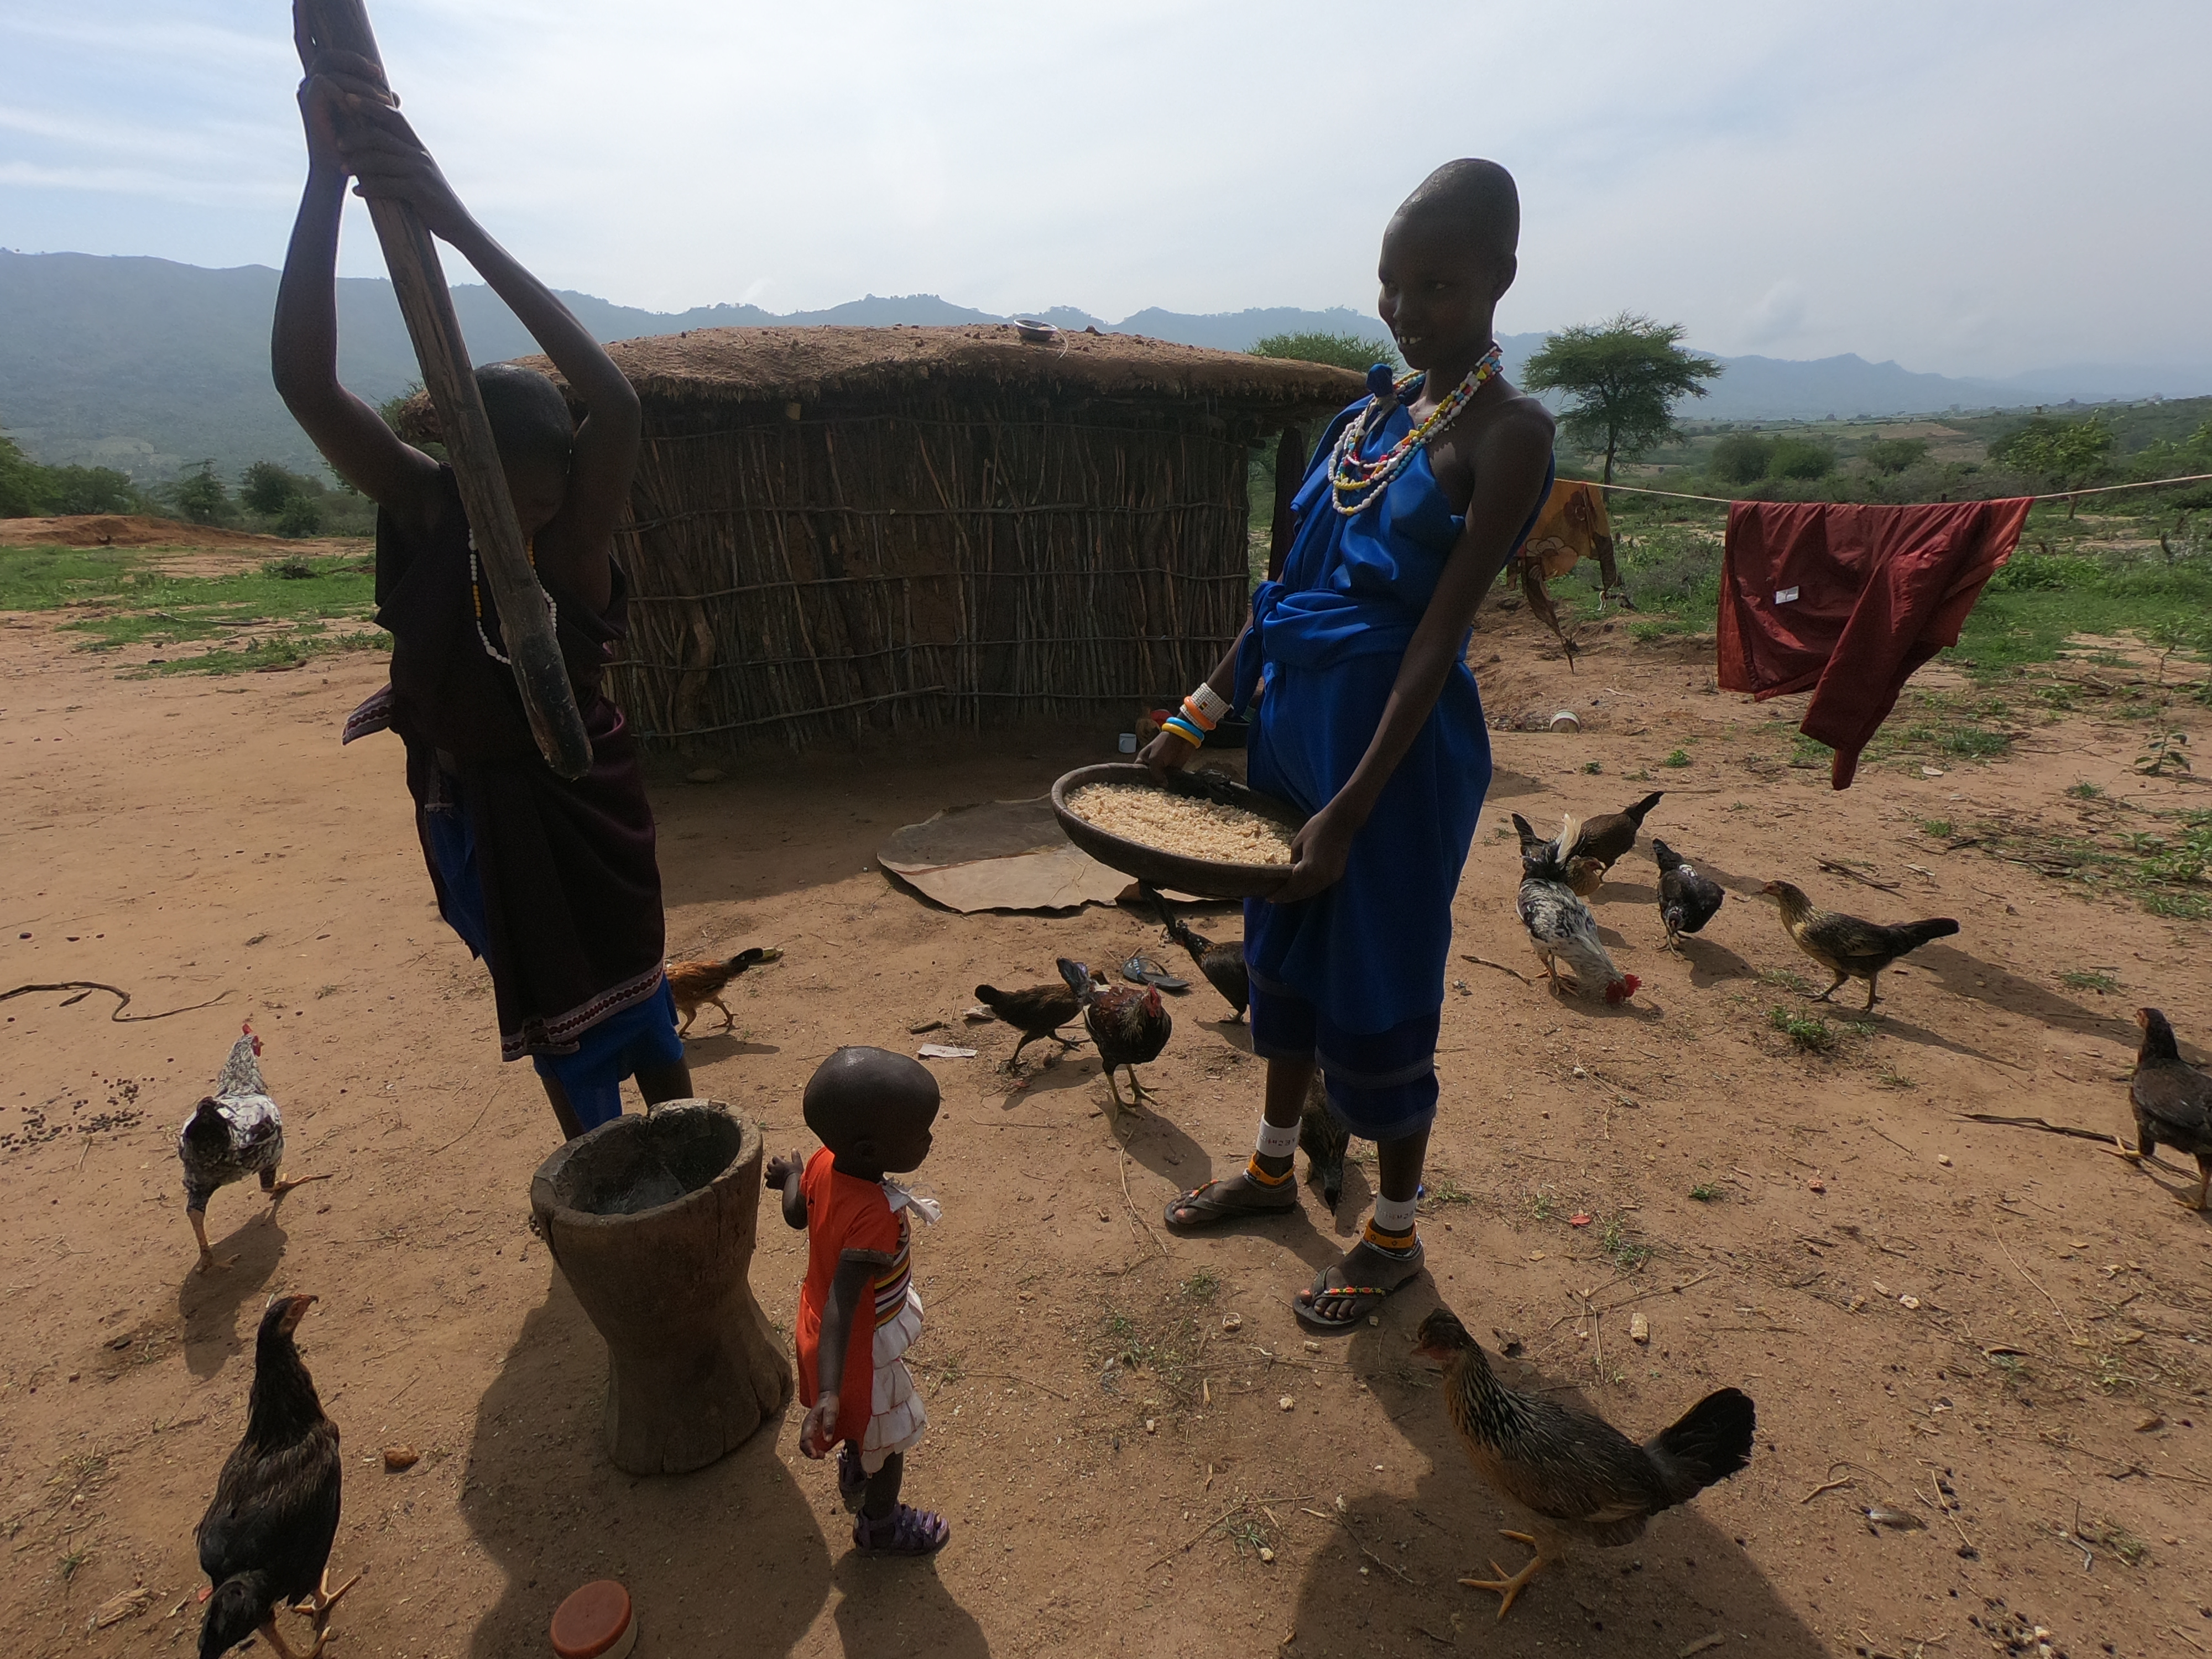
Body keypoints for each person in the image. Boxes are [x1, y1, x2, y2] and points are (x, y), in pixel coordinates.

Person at [1149, 159, 1556, 1329]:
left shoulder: (1509, 434)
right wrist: (1198, 715)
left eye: (1433, 284)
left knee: (1376, 978)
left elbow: (1437, 635)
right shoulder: (1356, 421)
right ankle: (1275, 1170)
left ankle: (1390, 1232)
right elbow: (1281, 593)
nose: (1404, 308)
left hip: (1396, 753)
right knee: (1278, 952)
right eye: (1390, 283)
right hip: (1290, 730)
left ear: (1497, 280)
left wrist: (1351, 807)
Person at [270, 40, 689, 1139]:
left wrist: (453, 219)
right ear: (460, 467)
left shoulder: (570, 549)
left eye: (544, 483)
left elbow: (617, 405)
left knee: (637, 980)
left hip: (583, 796)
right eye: (497, 479)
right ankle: (597, 1161)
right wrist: (324, 184)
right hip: (478, 803)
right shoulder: (431, 507)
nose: (524, 503)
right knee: (551, 997)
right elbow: (306, 386)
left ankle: (683, 1123)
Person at [769, 1048, 951, 1557]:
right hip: (857, 1346)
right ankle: (881, 1523)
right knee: (891, 1442)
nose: (929, 1140)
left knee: (864, 1422)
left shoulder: (828, 1163)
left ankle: (855, 1453)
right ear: (872, 1150)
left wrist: (790, 1178)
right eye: (920, 1134)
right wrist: (830, 1390)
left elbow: (796, 1216)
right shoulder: (872, 1214)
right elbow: (846, 1306)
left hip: (820, 1325)